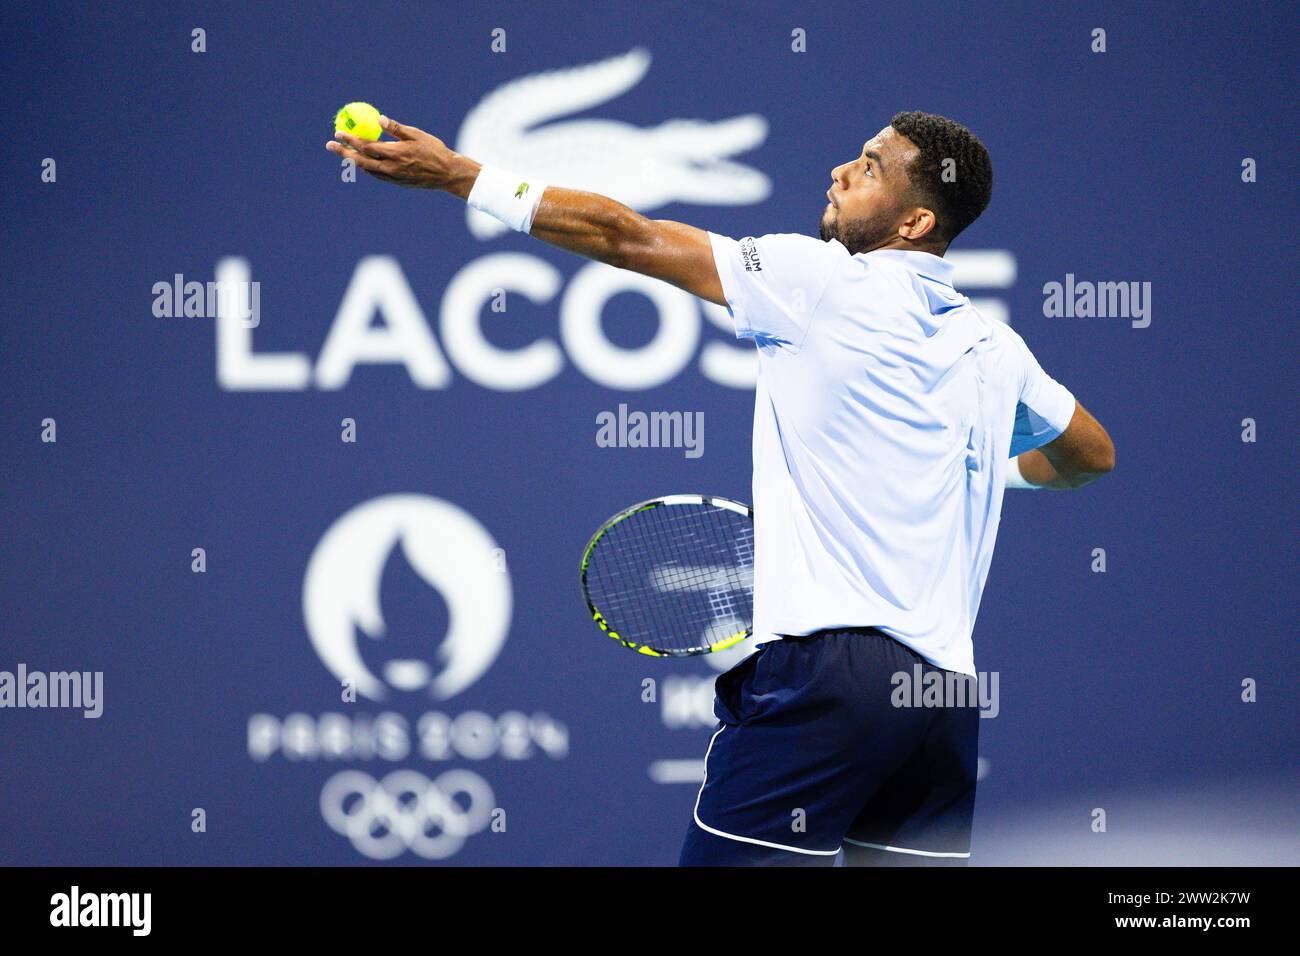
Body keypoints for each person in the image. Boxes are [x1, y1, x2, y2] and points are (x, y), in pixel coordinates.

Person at [328, 109, 1115, 866]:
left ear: (913, 223)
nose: (840, 171)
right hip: (940, 704)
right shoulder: (994, 347)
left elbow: (625, 236)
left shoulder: (821, 281)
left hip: (830, 678)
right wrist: (982, 477)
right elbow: (1090, 453)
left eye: (870, 167)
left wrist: (461, 176)